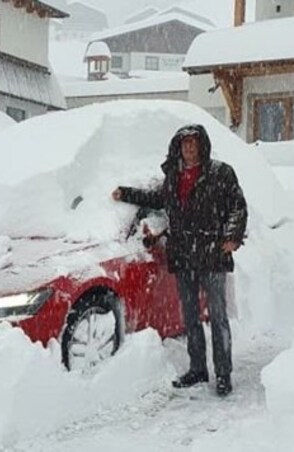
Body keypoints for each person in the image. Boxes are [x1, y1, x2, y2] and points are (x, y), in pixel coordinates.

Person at [112, 124, 248, 396]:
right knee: (190, 317)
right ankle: (198, 368)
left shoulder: (220, 173)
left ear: (202, 145)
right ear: (178, 147)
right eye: (184, 143)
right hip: (184, 254)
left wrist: (232, 236)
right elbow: (158, 199)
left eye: (193, 142)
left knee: (218, 316)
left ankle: (223, 374)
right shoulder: (174, 176)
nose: (189, 147)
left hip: (212, 253)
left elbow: (238, 206)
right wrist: (126, 193)